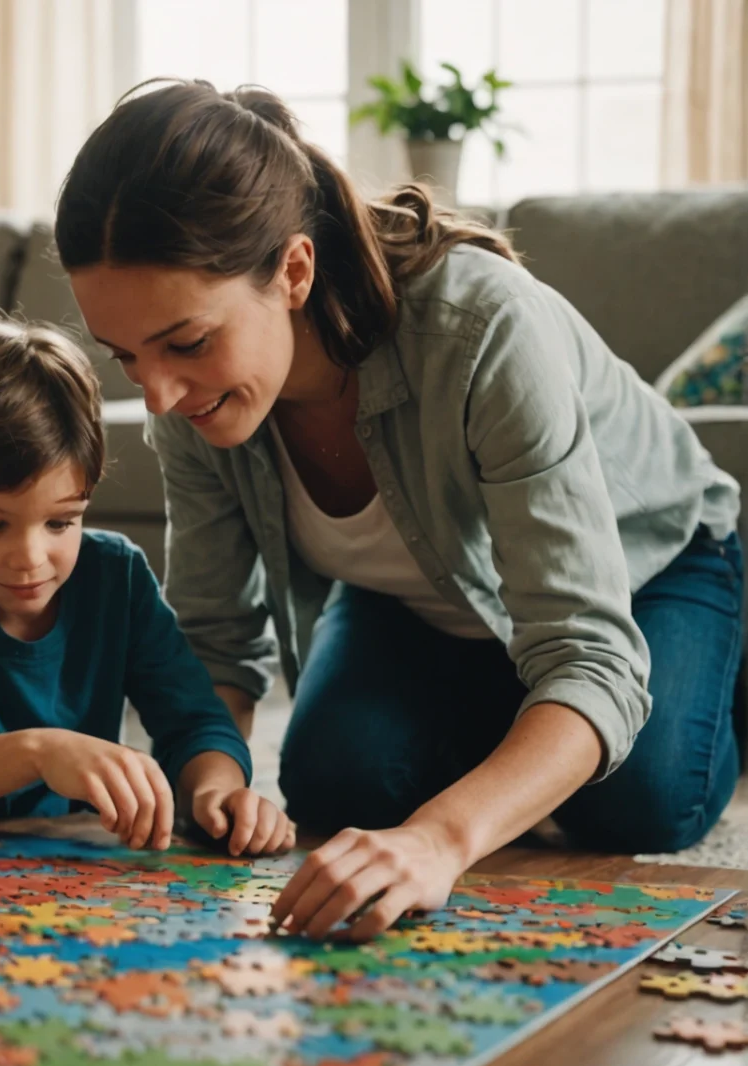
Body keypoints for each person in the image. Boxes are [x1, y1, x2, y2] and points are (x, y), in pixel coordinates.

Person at [54, 80, 742, 940]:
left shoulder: (484, 325)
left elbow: (587, 653)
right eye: (125, 355)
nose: (156, 394)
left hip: (656, 569)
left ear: (293, 270)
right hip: (416, 600)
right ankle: (512, 722)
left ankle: (715, 668)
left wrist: (439, 838)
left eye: (186, 342)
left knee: (637, 802)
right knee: (337, 783)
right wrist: (212, 776)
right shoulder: (193, 400)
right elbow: (215, 637)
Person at [0, 318, 293, 857]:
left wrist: (218, 789)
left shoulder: (115, 575)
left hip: (74, 875)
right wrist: (37, 753)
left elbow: (195, 721)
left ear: (89, 491)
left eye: (60, 522)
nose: (31, 560)